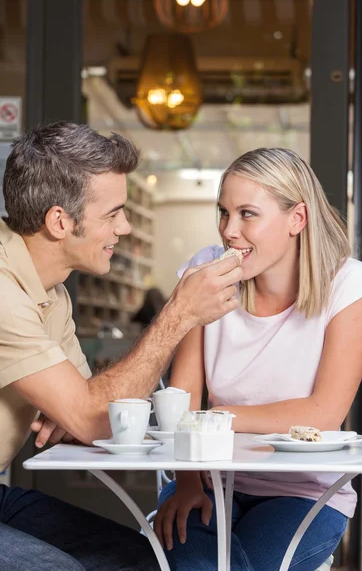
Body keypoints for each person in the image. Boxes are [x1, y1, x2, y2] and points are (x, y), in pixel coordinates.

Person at [0, 121, 243, 571]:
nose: (125, 227)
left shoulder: (53, 292)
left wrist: (77, 408)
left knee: (139, 558)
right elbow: (95, 415)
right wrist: (178, 315)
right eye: (112, 214)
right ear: (60, 221)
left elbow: (91, 413)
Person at [154, 147, 362, 571]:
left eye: (247, 214)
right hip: (207, 479)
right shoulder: (205, 271)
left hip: (305, 494)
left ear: (297, 218)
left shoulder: (350, 285)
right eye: (224, 213)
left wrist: (216, 416)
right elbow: (184, 397)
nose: (229, 231)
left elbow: (323, 414)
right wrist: (185, 482)